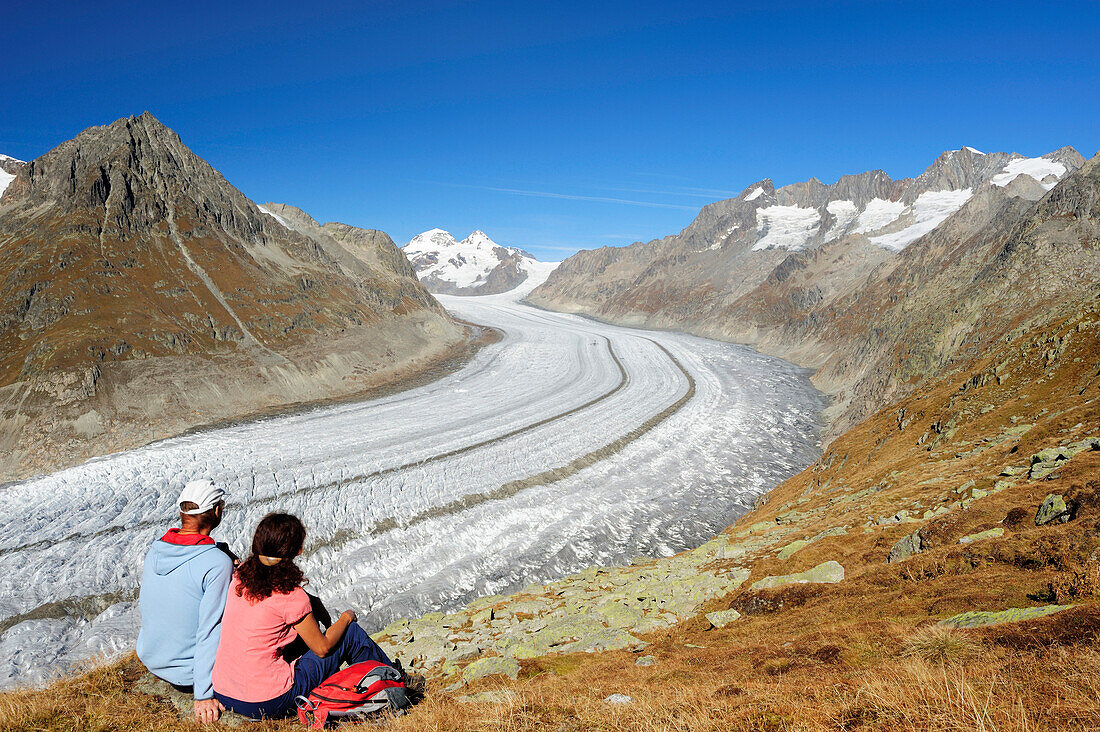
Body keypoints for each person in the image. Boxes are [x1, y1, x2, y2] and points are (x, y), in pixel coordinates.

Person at [212, 513, 395, 719]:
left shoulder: (241, 576)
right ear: (298, 550)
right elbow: (322, 648)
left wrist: (313, 603)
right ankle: (392, 681)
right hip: (269, 702)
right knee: (350, 633)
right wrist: (345, 618)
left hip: (225, 693)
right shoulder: (292, 596)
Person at [136, 479, 233, 725]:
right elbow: (211, 628)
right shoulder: (216, 563)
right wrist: (204, 694)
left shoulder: (156, 549)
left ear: (182, 513)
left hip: (152, 659)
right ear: (217, 511)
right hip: (187, 674)